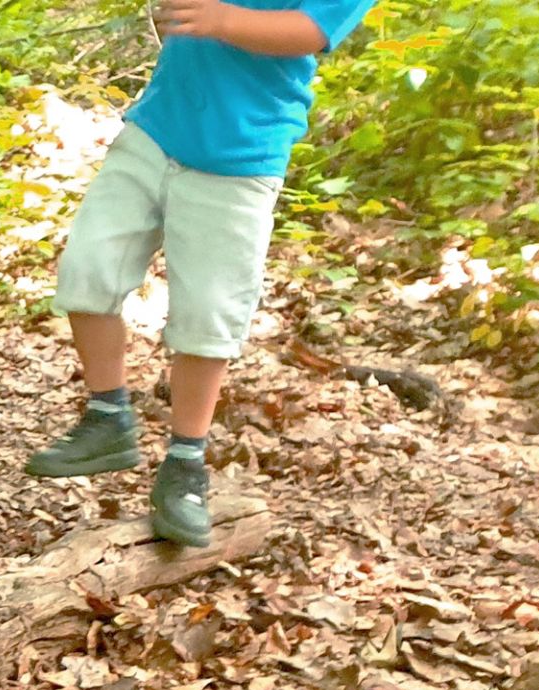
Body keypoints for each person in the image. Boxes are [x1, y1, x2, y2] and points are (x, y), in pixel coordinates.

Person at [27, 0, 375, 546]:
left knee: (208, 317)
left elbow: (309, 31)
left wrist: (220, 21)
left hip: (241, 155)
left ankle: (186, 465)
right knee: (87, 271)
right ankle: (107, 418)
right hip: (156, 128)